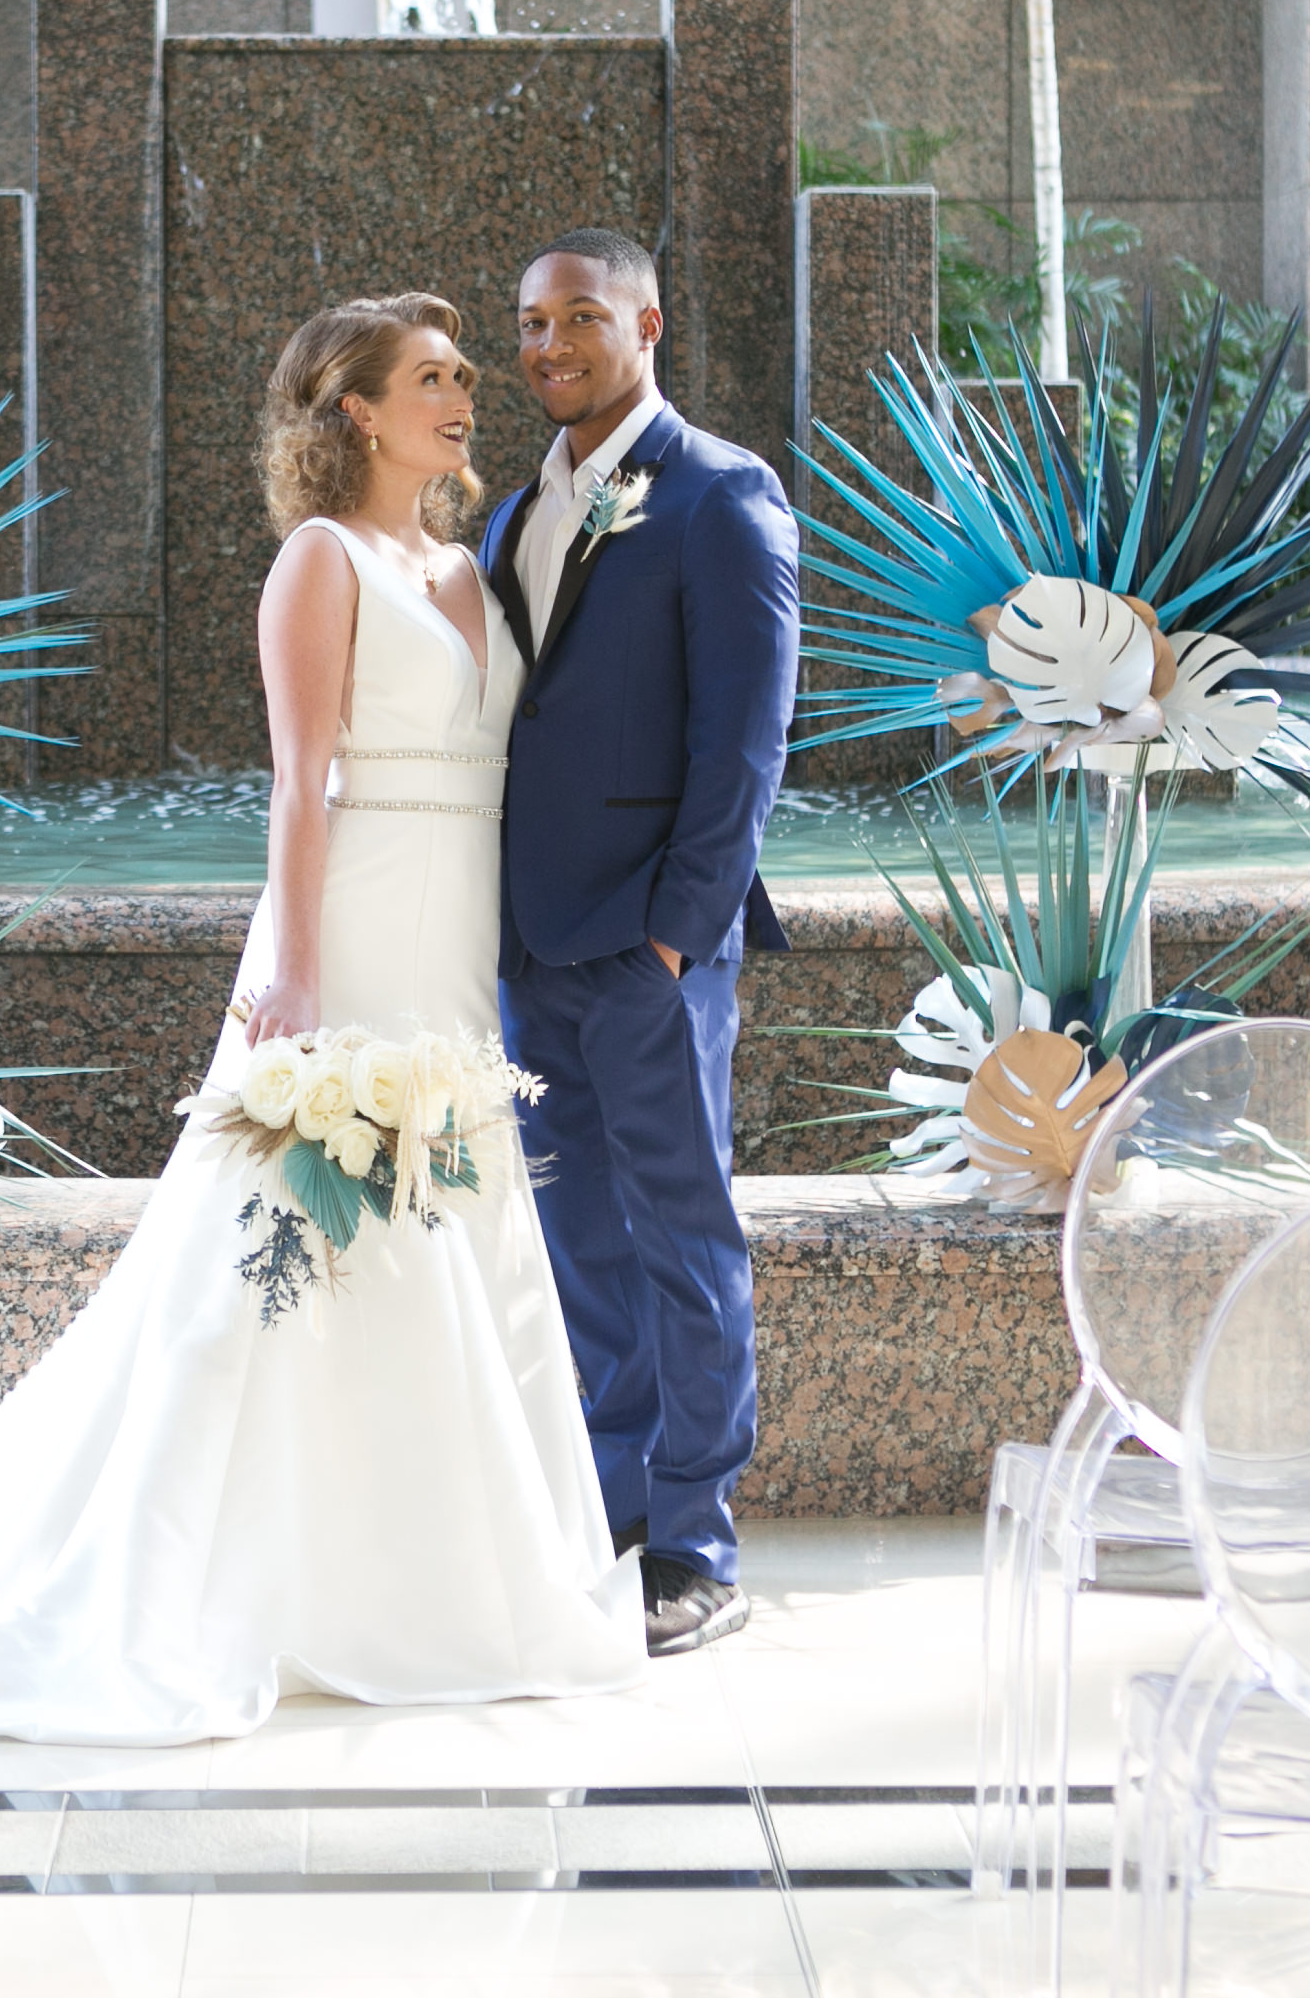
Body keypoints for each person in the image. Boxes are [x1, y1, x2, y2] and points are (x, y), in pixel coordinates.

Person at [0, 292, 642, 1744]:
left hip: (460, 946)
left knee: (452, 1226)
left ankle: (432, 1575)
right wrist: (289, 969)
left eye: (465, 374)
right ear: (353, 407)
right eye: (429, 377)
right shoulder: (321, 557)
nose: (463, 395)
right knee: (283, 1248)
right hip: (347, 933)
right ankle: (216, 1580)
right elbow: (297, 781)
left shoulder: (471, 568)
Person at [484, 229, 801, 1656]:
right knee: (576, 1237)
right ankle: (613, 1500)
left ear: (648, 322)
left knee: (682, 1234)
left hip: (648, 949)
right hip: (531, 951)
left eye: (578, 317)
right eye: (531, 324)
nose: (548, 343)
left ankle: (694, 1537)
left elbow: (742, 749)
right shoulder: (509, 517)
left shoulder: (723, 497)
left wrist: (679, 939)